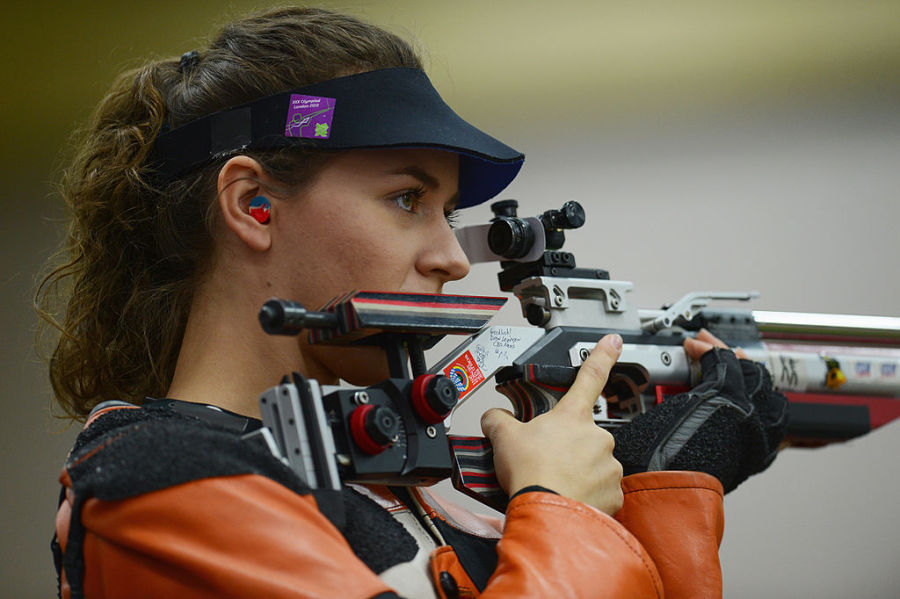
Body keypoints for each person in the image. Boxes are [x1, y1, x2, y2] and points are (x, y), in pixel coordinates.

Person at [39, 7, 786, 599]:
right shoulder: (159, 480)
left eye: (448, 210)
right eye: (407, 198)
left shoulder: (400, 484)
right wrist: (568, 509)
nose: (455, 257)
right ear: (254, 203)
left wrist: (651, 496)